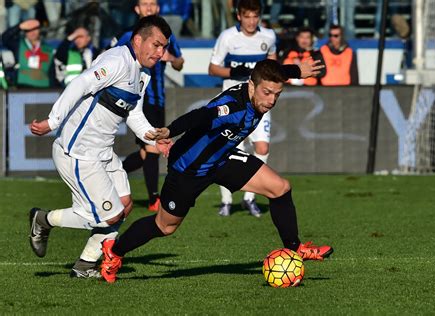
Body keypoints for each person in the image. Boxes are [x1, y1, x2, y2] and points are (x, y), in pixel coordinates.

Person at [100, 59, 332, 284]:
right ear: (252, 85)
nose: (271, 100)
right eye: (267, 93)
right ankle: (115, 252)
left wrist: (294, 70)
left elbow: (267, 71)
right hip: (188, 169)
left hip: (222, 160)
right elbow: (200, 115)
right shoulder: (232, 106)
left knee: (280, 188)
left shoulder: (260, 85)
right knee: (165, 226)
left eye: (276, 95)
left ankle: (295, 250)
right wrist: (170, 130)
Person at [28, 15, 173, 278]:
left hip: (104, 151)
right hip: (79, 151)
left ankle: (84, 266)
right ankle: (43, 219)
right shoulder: (116, 60)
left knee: (125, 205)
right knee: (109, 217)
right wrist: (53, 120)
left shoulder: (143, 73)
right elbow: (80, 84)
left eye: (164, 47)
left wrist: (153, 138)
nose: (161, 53)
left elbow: (133, 113)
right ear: (138, 40)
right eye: (156, 45)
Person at [208, 0, 277, 218]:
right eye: (247, 16)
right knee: (227, 149)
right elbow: (212, 68)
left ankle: (249, 198)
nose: (251, 21)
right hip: (235, 103)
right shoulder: (228, 37)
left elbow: (273, 65)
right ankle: (226, 201)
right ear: (239, 16)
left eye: (255, 17)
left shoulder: (268, 36)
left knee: (263, 147)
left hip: (260, 103)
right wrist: (234, 71)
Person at [118, 0, 185, 212]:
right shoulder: (129, 36)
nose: (149, 8)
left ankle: (114, 172)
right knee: (152, 147)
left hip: (158, 98)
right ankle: (154, 198)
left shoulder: (167, 35)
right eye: (144, 4)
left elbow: (180, 63)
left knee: (148, 153)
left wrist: (171, 57)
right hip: (138, 99)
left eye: (152, 4)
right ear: (137, 9)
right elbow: (112, 59)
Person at [1, 19, 55, 88]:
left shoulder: (48, 49)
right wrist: (19, 26)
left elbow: (52, 73)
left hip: (44, 88)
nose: (32, 32)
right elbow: (5, 38)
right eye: (28, 30)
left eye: (35, 29)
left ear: (39, 30)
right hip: (22, 87)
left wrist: (52, 89)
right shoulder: (19, 45)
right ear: (24, 32)